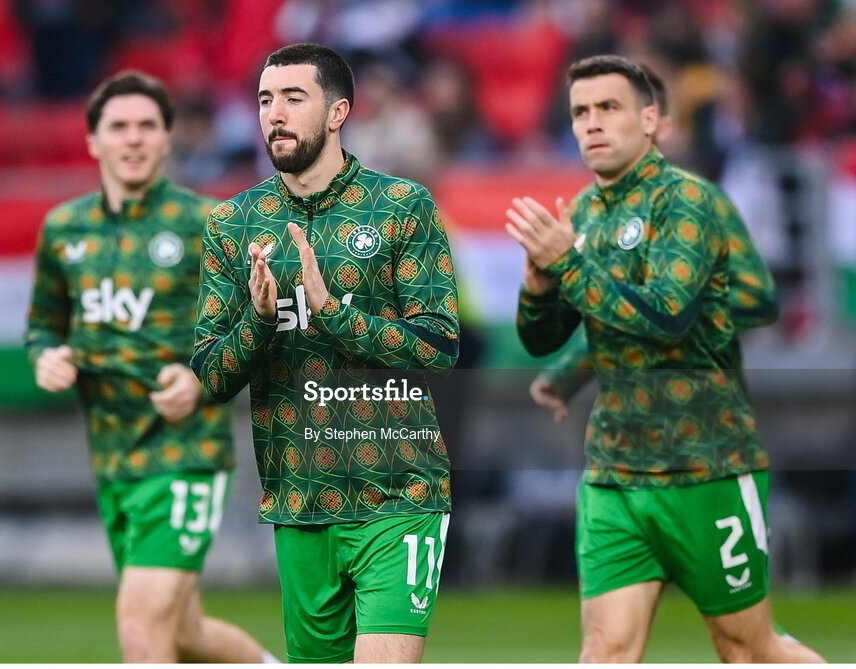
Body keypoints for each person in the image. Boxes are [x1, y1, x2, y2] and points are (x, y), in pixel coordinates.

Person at [506, 54, 825, 663]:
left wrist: (568, 265)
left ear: (650, 119)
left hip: (705, 466)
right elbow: (542, 336)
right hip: (615, 476)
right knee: (605, 650)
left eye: (609, 108)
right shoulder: (585, 214)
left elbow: (666, 315)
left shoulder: (687, 203)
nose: (592, 123)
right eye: (580, 112)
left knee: (748, 649)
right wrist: (540, 289)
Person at [191, 43, 459, 663]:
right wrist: (258, 323)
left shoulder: (402, 207)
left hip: (399, 492)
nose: (273, 114)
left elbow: (439, 347)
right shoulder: (233, 224)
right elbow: (209, 374)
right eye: (264, 100)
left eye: (292, 98)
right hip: (298, 499)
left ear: (337, 112)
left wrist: (337, 314)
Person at [24, 70, 275, 664]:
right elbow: (42, 325)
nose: (133, 139)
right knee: (184, 632)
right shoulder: (64, 230)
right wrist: (46, 357)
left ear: (168, 139)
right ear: (93, 141)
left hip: (186, 453)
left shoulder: (210, 223)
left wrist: (201, 376)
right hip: (114, 459)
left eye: (147, 127)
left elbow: (263, 321)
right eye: (119, 127)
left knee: (141, 626)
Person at [530, 64, 779, 423]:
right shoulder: (610, 216)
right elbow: (615, 315)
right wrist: (566, 375)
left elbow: (757, 298)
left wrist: (686, 318)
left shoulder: (708, 205)